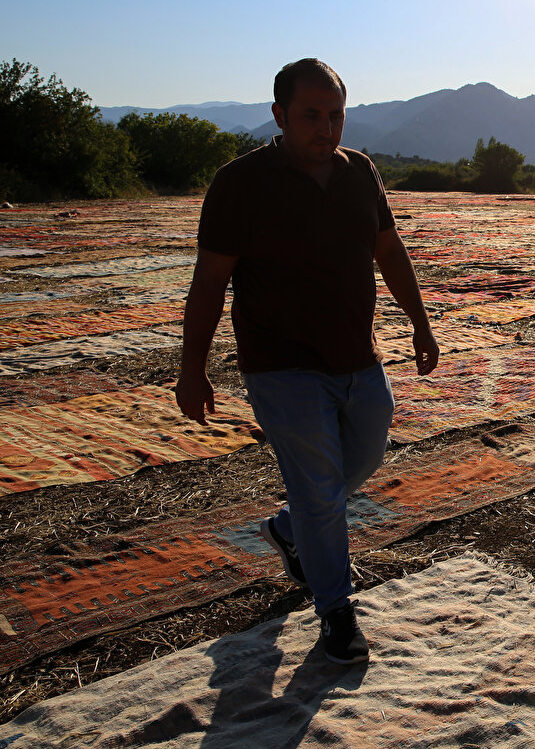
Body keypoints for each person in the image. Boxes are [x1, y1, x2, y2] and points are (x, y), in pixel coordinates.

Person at [176, 58, 438, 665]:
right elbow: (209, 282)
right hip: (279, 364)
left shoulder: (359, 173)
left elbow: (388, 251)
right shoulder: (239, 184)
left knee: (365, 455)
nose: (327, 129)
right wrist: (193, 366)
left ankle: (291, 530)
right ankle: (336, 610)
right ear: (279, 116)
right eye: (312, 116)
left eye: (336, 115)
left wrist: (420, 323)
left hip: (355, 357)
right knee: (320, 486)